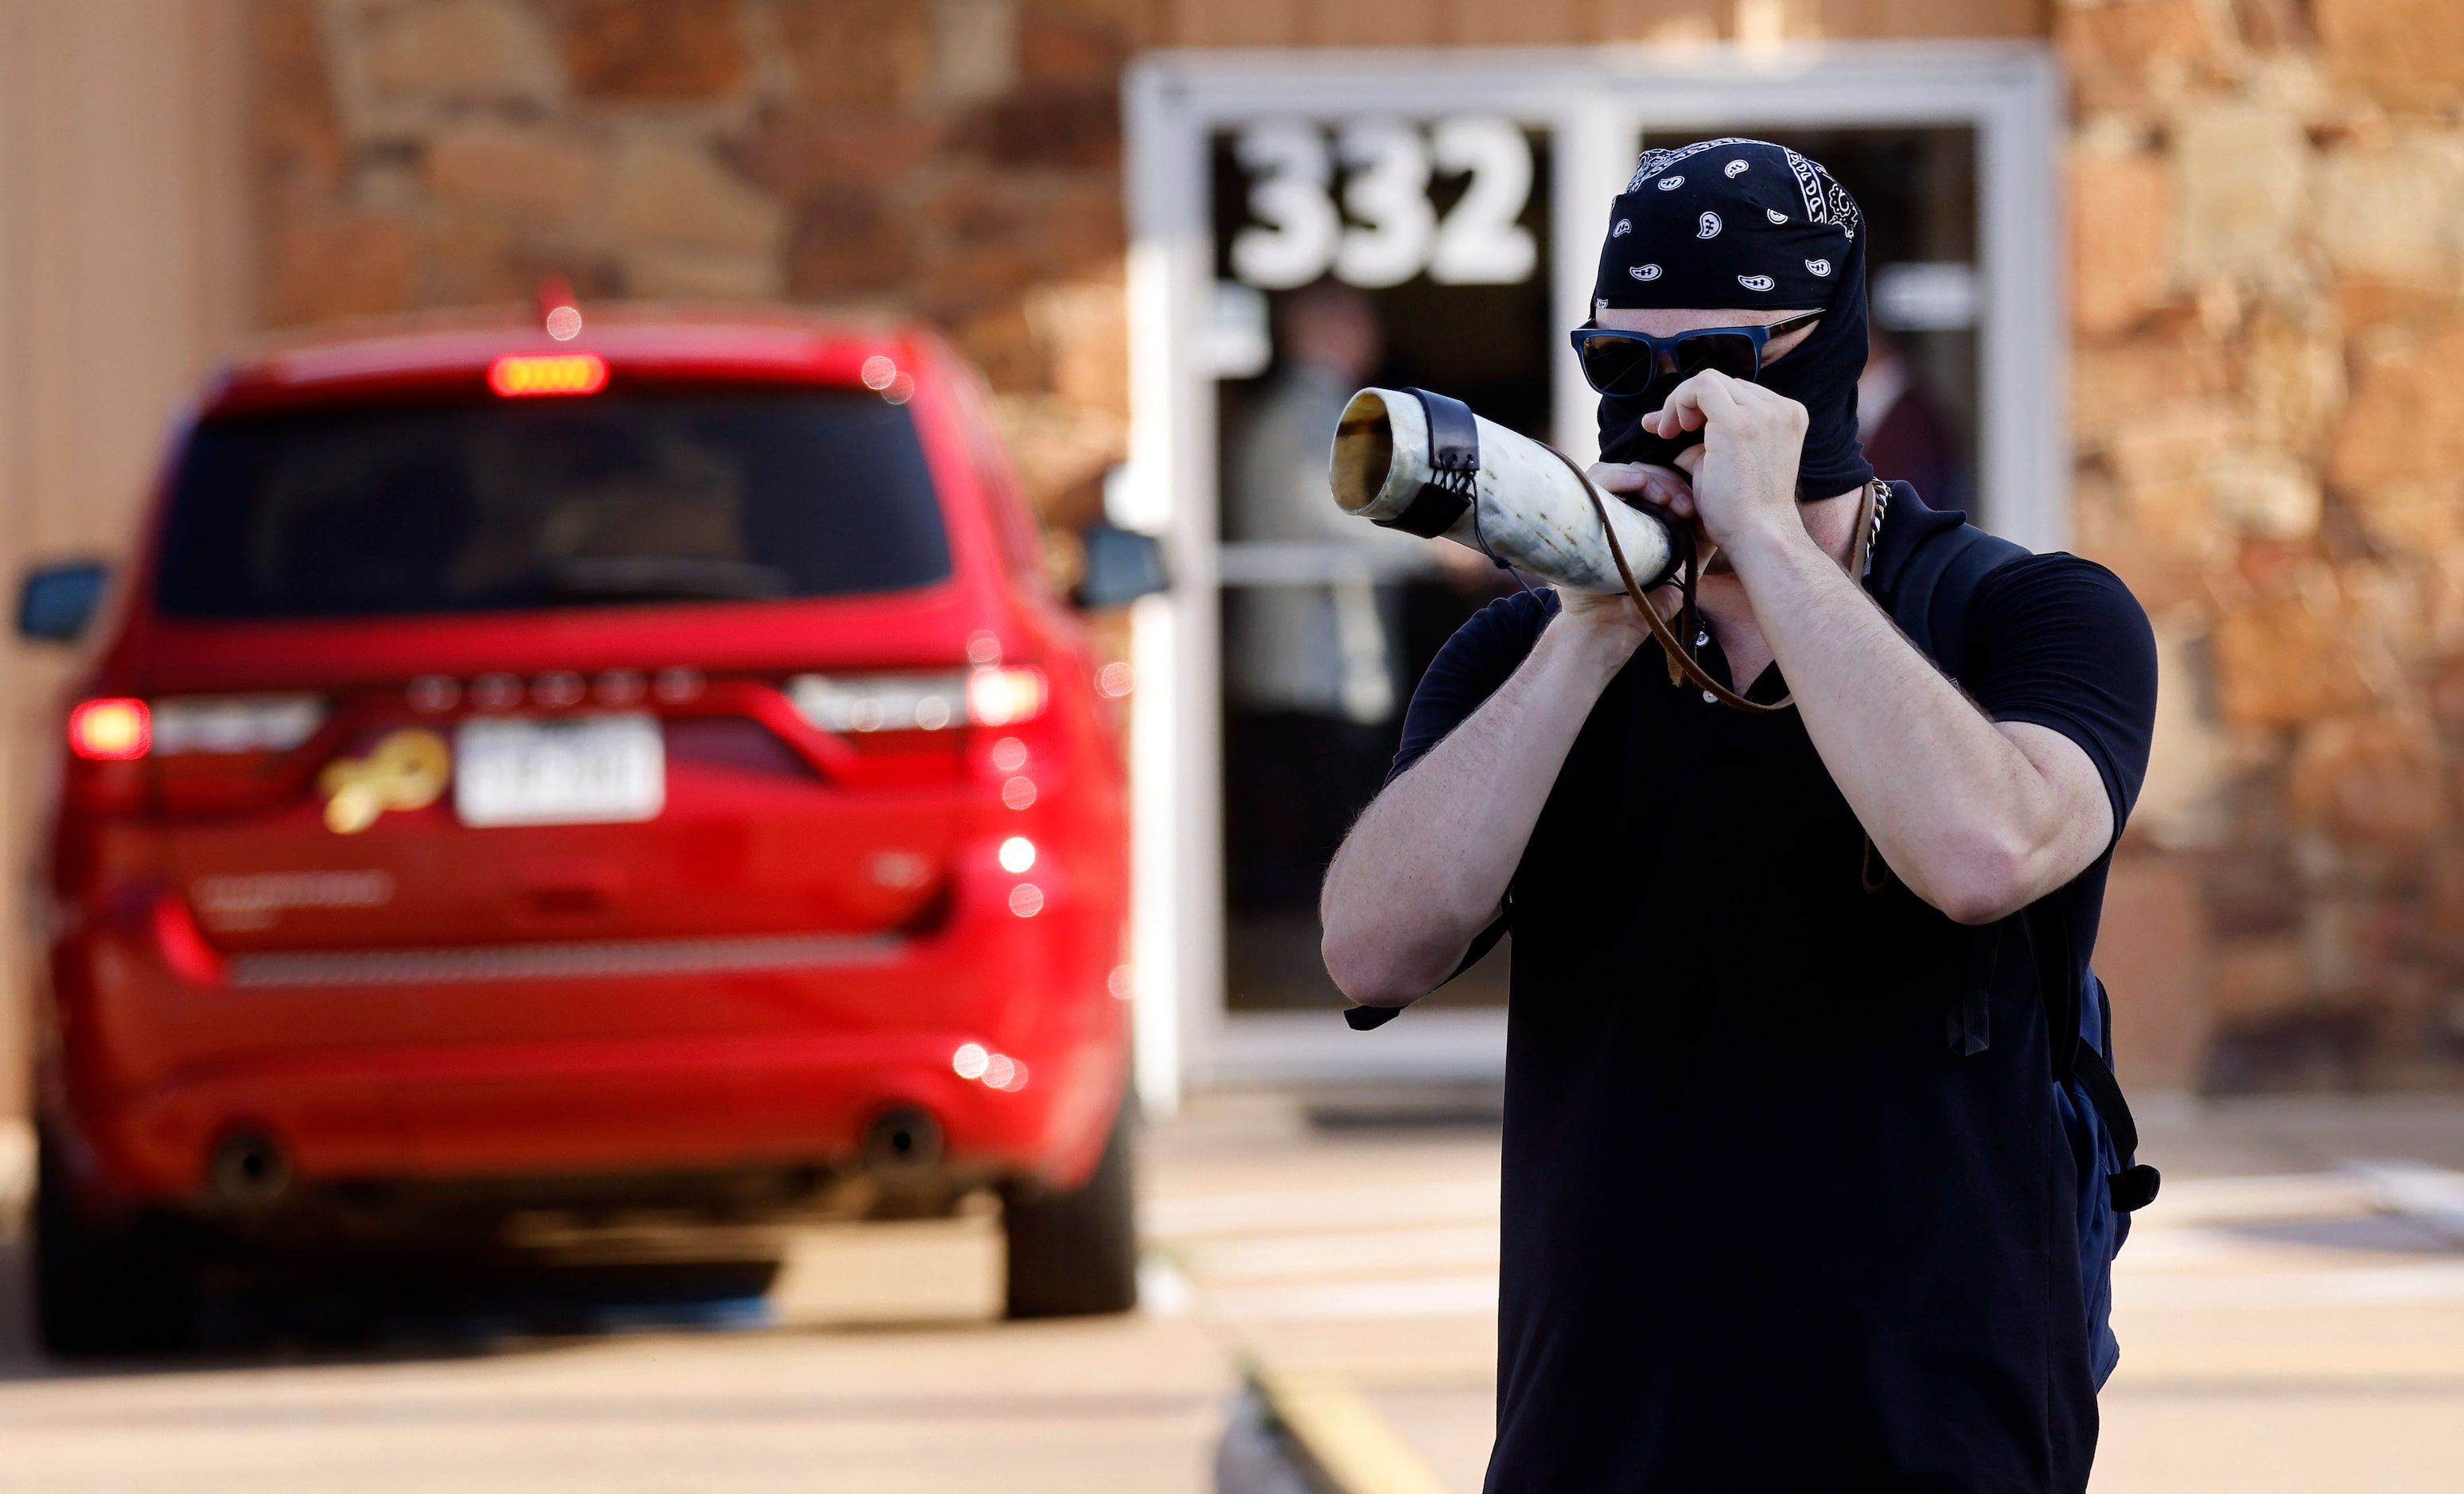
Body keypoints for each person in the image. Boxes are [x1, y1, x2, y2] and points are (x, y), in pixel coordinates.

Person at [1318, 139, 2157, 1491]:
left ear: (1815, 361)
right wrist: (1589, 630)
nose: (1657, 406)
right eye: (1618, 363)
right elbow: (1370, 949)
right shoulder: (1530, 655)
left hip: (1934, 1432)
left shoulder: (2029, 614)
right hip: (1599, 1435)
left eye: (1706, 363)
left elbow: (1980, 852)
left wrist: (1766, 541)